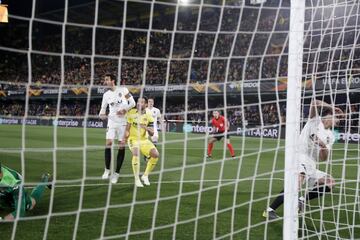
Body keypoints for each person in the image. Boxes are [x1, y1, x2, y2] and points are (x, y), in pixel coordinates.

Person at [263, 99, 344, 219]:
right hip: (300, 157)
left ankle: (302, 199)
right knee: (297, 183)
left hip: (312, 164)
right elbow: (314, 102)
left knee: (330, 182)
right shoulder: (314, 120)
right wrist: (332, 107)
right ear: (329, 115)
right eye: (337, 118)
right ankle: (269, 210)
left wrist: (323, 146)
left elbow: (323, 158)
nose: (338, 121)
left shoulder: (331, 136)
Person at [99, 73, 136, 184]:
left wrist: (125, 110)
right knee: (109, 143)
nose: (105, 82)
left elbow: (133, 103)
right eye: (105, 80)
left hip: (123, 122)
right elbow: (102, 110)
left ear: (113, 80)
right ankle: (107, 170)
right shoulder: (106, 95)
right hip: (112, 121)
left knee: (121, 146)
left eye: (107, 79)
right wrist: (101, 115)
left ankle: (116, 173)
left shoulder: (123, 90)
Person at [125, 97, 160, 187]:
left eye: (142, 102)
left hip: (144, 140)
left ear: (145, 105)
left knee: (155, 155)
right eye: (138, 101)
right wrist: (125, 136)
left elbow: (152, 134)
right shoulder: (131, 112)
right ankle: (137, 179)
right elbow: (127, 128)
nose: (139, 103)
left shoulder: (149, 115)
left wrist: (146, 128)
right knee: (135, 153)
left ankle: (145, 176)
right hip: (133, 139)